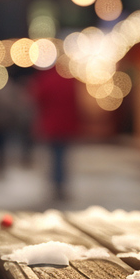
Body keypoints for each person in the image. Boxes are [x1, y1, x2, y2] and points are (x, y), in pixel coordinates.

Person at [28, 67, 82, 200]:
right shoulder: (68, 81)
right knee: (61, 156)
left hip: (52, 124)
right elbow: (75, 102)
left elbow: (37, 98)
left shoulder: (46, 79)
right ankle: (60, 183)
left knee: (55, 156)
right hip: (66, 124)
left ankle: (57, 183)